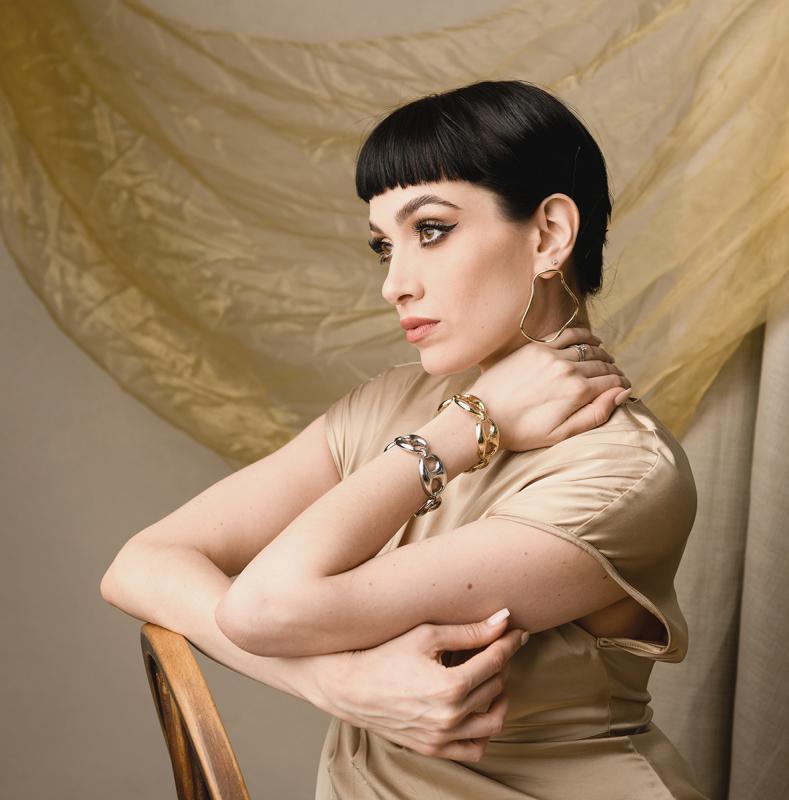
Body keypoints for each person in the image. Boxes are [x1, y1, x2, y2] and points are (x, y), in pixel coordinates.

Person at [101, 79, 707, 799]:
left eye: (432, 230)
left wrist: (464, 430)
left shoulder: (621, 474)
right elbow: (140, 563)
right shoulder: (396, 403)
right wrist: (336, 683)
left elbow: (263, 609)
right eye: (383, 246)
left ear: (548, 235)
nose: (394, 284)